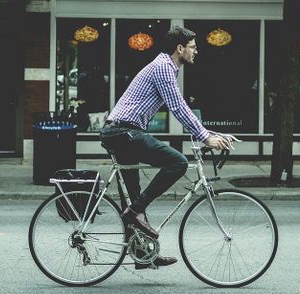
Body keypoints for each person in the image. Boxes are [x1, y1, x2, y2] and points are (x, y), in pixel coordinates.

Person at [100, 26, 235, 269]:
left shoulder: (165, 67)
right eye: (193, 47)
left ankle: (142, 253)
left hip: (124, 132)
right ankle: (134, 213)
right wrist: (205, 137)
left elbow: (180, 108)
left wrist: (214, 134)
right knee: (177, 162)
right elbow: (178, 107)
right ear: (180, 48)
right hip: (123, 132)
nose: (197, 51)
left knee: (132, 195)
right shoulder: (163, 67)